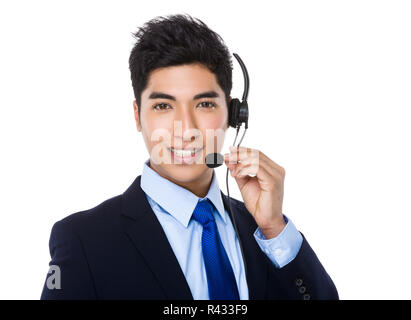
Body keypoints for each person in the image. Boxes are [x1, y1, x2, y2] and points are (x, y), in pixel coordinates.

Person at [40, 13, 338, 300]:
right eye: (163, 106)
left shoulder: (265, 232)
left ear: (234, 114)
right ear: (137, 116)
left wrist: (274, 230)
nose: (186, 130)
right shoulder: (82, 239)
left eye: (205, 104)